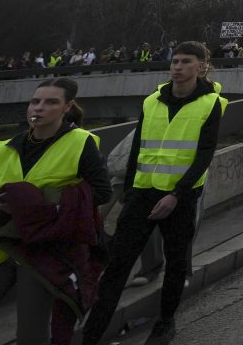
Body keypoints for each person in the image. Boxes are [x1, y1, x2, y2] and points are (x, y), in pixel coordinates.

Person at [80, 42, 226, 345]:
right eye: (174, 61)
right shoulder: (151, 102)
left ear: (201, 66)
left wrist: (176, 194)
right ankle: (92, 332)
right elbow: (137, 148)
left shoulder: (211, 103)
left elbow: (204, 154)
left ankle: (165, 322)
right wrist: (131, 190)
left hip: (181, 198)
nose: (177, 67)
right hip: (143, 194)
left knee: (175, 263)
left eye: (185, 62)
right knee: (118, 264)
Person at [0, 77, 110, 345]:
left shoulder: (81, 142)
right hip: (0, 246)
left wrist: (39, 204)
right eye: (35, 101)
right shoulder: (1, 150)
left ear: (67, 107)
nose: (39, 108)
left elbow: (102, 193)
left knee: (31, 335)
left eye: (51, 102)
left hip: (44, 250)